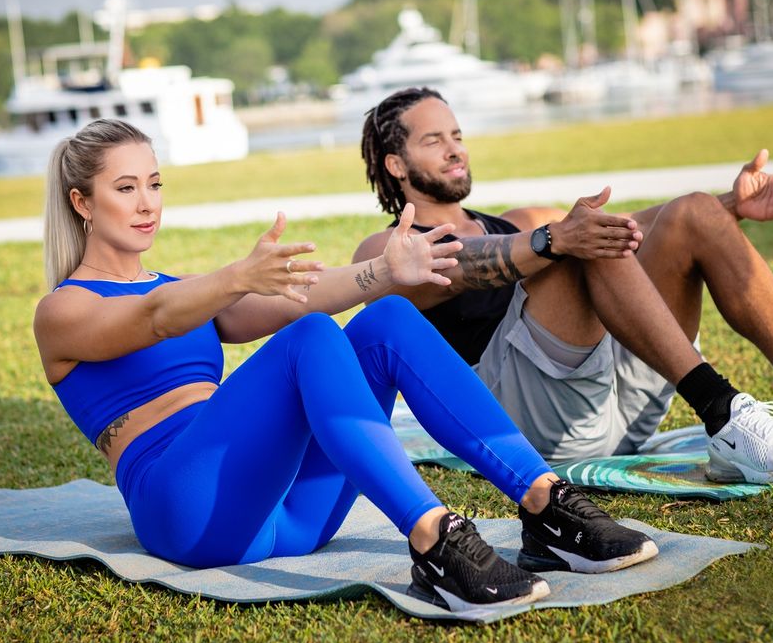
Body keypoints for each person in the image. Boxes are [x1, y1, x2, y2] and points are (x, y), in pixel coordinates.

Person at [32, 119, 660, 615]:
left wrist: (383, 273)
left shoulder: (185, 288)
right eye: (126, 187)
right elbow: (153, 320)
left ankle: (544, 504)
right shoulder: (62, 311)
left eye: (155, 183)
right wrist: (232, 277)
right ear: (81, 202)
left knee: (384, 320)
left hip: (291, 514)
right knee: (309, 339)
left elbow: (293, 297)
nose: (147, 203)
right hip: (188, 512)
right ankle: (435, 541)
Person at [353, 88, 773, 480]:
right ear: (396, 165)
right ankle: (722, 412)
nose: (455, 148)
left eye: (457, 134)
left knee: (684, 211)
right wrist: (554, 241)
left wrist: (726, 208)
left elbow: (640, 228)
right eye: (434, 141)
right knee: (575, 241)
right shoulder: (386, 250)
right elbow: (463, 263)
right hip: (531, 423)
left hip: (623, 405)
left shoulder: (521, 219)